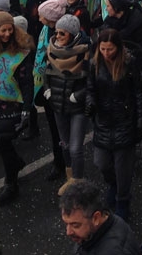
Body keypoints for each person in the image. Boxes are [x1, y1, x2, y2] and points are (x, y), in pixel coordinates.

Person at [86, 28, 142, 221]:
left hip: (124, 121)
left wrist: (140, 122)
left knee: (123, 168)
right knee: (101, 162)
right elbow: (90, 88)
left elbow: (139, 94)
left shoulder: (129, 64)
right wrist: (90, 103)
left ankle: (123, 200)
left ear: (118, 48)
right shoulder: (95, 64)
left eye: (110, 49)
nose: (106, 53)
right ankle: (113, 185)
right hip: (103, 121)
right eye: (103, 49)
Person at [0, 11, 34, 205]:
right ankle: (16, 163)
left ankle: (11, 184)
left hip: (12, 102)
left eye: (10, 29)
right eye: (3, 30)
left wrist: (27, 108)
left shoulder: (21, 51)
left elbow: (27, 82)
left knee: (3, 140)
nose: (7, 34)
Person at [42, 13, 92, 195]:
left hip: (76, 106)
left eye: (62, 33)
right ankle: (70, 178)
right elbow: (46, 71)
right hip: (58, 103)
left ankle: (78, 183)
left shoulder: (85, 51)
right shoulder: (52, 48)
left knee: (76, 147)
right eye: (56, 32)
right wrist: (47, 88)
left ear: (72, 34)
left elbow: (90, 80)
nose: (58, 37)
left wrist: (77, 96)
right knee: (64, 143)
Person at [60, 179, 138, 255]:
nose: (68, 232)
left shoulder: (114, 251)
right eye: (66, 224)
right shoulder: (96, 230)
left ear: (96, 218)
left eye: (75, 225)